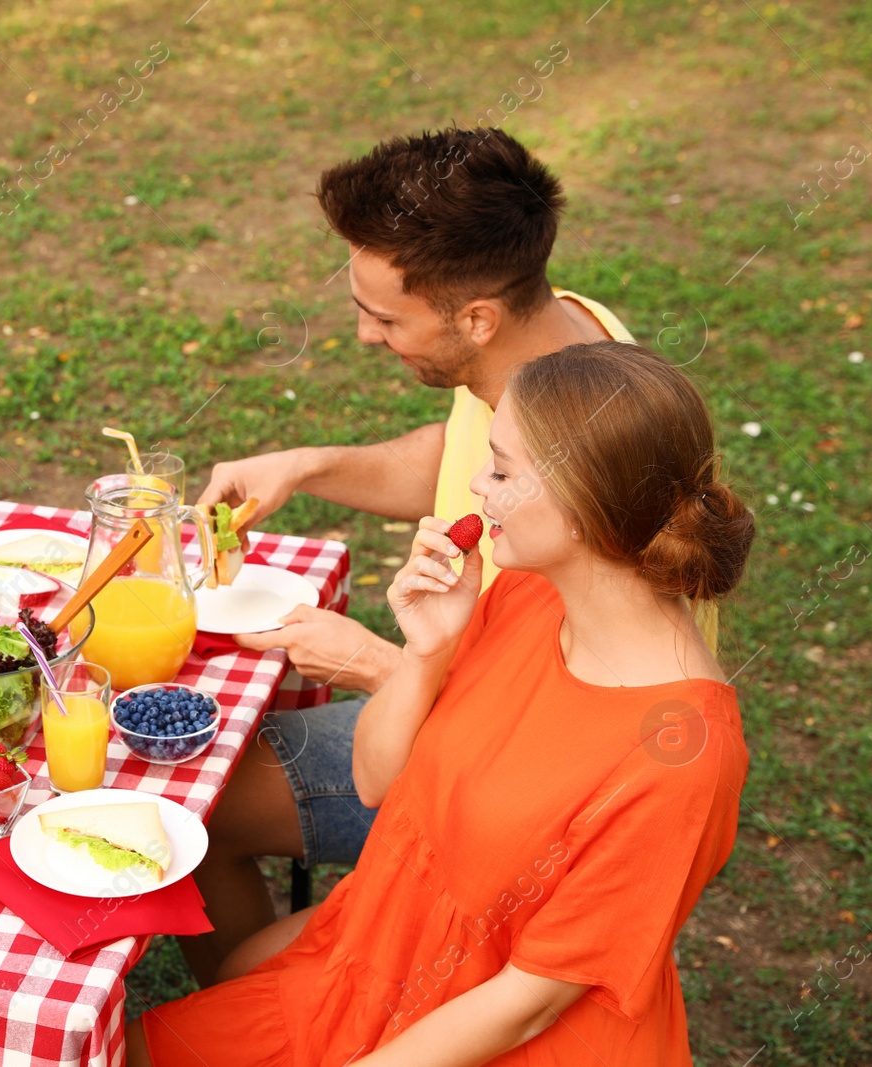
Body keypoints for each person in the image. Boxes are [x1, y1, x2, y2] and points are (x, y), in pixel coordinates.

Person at [132, 340, 754, 1066]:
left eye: (500, 468)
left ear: (583, 505)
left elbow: (528, 1004)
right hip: (382, 941)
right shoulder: (528, 593)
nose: (474, 484)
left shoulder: (683, 754)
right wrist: (426, 652)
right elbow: (374, 779)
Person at [181, 128, 636, 983]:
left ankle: (264, 1008)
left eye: (385, 316)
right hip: (456, 714)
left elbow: (557, 752)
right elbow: (464, 458)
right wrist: (308, 465)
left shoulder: (584, 493)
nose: (362, 335)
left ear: (476, 317)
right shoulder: (556, 339)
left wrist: (375, 663)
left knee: (191, 808)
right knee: (200, 786)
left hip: (518, 806)